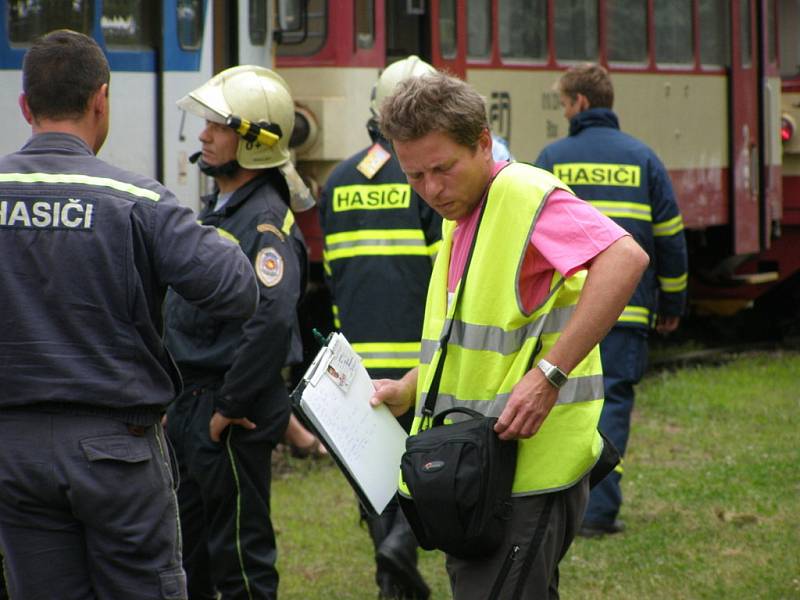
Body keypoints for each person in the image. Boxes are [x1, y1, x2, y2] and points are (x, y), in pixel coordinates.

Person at [0, 30, 258, 600]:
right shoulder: (138, 201)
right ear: (101, 99)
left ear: (25, 107)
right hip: (114, 450)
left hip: (12, 452)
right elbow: (238, 290)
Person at [370, 71, 649, 598]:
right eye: (414, 176)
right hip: (482, 472)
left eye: (442, 169)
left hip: (523, 473)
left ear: (482, 144)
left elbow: (625, 257)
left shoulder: (521, 192)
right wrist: (411, 385)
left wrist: (549, 375)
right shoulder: (464, 211)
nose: (430, 189)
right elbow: (475, 340)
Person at [162, 65, 311, 599]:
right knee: (191, 550)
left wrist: (230, 404)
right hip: (194, 403)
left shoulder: (265, 222)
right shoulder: (222, 211)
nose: (203, 135)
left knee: (240, 557)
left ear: (254, 141)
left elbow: (271, 318)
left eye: (217, 126)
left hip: (227, 408)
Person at [535, 63, 688, 538]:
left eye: (562, 103)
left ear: (580, 103)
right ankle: (599, 511)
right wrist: (674, 304)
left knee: (562, 405)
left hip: (567, 314)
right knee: (614, 403)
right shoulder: (643, 158)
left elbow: (531, 238)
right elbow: (670, 240)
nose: (562, 112)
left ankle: (559, 503)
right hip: (628, 310)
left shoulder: (552, 159)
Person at [319, 55, 438, 600]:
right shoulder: (430, 179)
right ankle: (402, 553)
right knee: (425, 468)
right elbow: (448, 277)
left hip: (359, 362)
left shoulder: (338, 181)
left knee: (373, 474)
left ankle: (391, 574)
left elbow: (331, 278)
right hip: (419, 361)